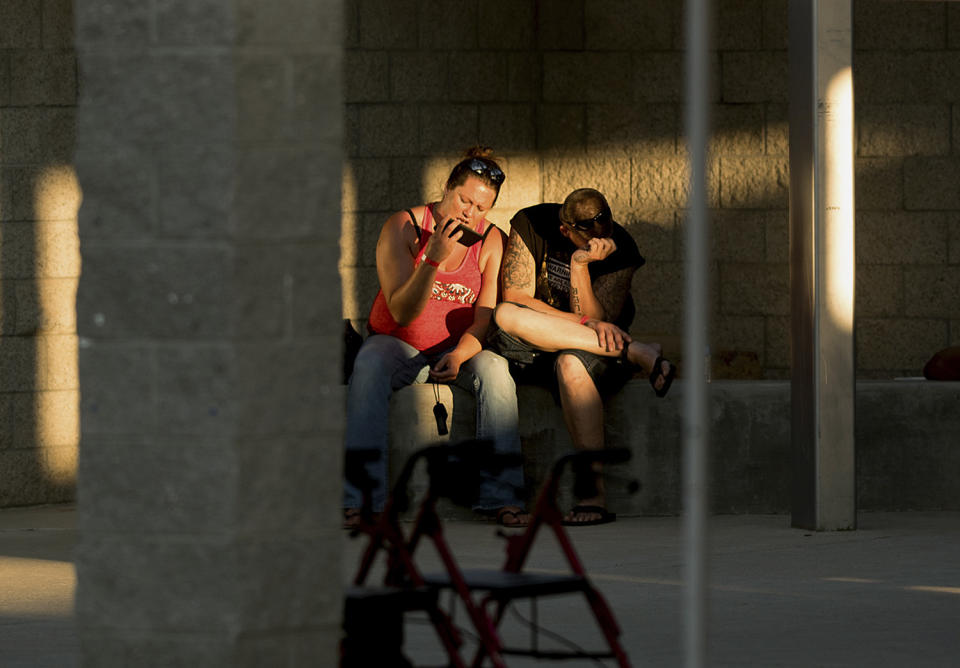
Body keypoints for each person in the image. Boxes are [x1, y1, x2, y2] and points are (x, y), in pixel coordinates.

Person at [343, 148, 528, 529]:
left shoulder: (492, 240)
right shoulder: (404, 225)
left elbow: (485, 318)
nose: (469, 213)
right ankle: (362, 499)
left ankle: (502, 496)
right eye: (464, 199)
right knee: (369, 363)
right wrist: (431, 258)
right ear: (447, 188)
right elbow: (401, 312)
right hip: (398, 346)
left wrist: (461, 355)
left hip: (457, 350)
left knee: (496, 370)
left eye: (482, 207)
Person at [487, 188, 676, 526]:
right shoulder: (534, 222)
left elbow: (603, 323)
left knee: (571, 364)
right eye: (586, 240)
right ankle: (635, 351)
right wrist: (583, 324)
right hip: (539, 345)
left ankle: (593, 497)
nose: (600, 243)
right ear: (566, 230)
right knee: (504, 314)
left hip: (591, 353)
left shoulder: (623, 246)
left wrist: (580, 265)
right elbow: (516, 296)